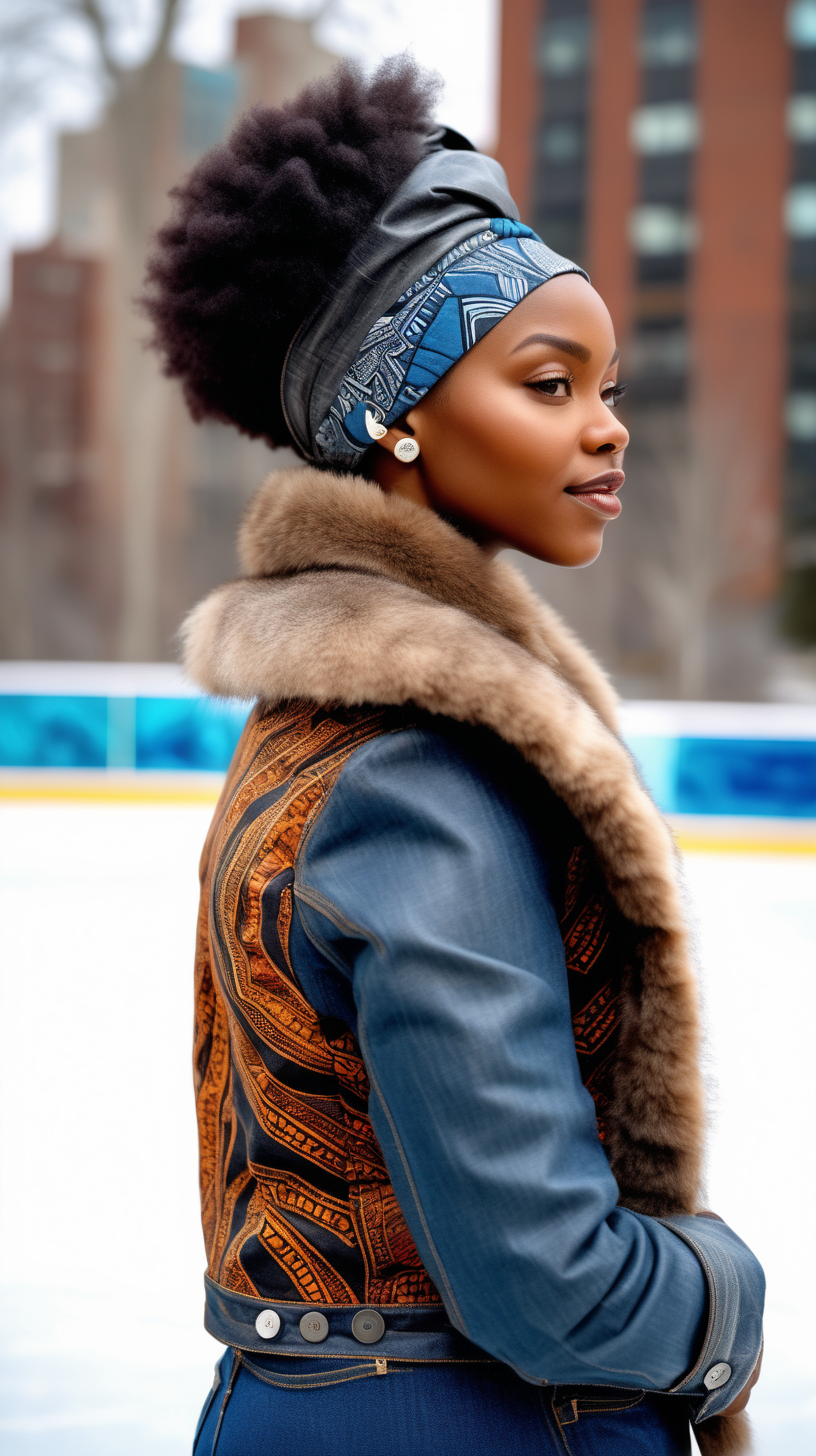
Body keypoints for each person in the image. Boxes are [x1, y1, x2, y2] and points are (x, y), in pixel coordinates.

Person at [143, 59, 764, 1456]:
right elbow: (545, 1281)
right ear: (396, 416)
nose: (607, 426)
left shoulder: (319, 722)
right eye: (550, 383)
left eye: (606, 384)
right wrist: (728, 1298)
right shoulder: (420, 764)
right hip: (463, 1419)